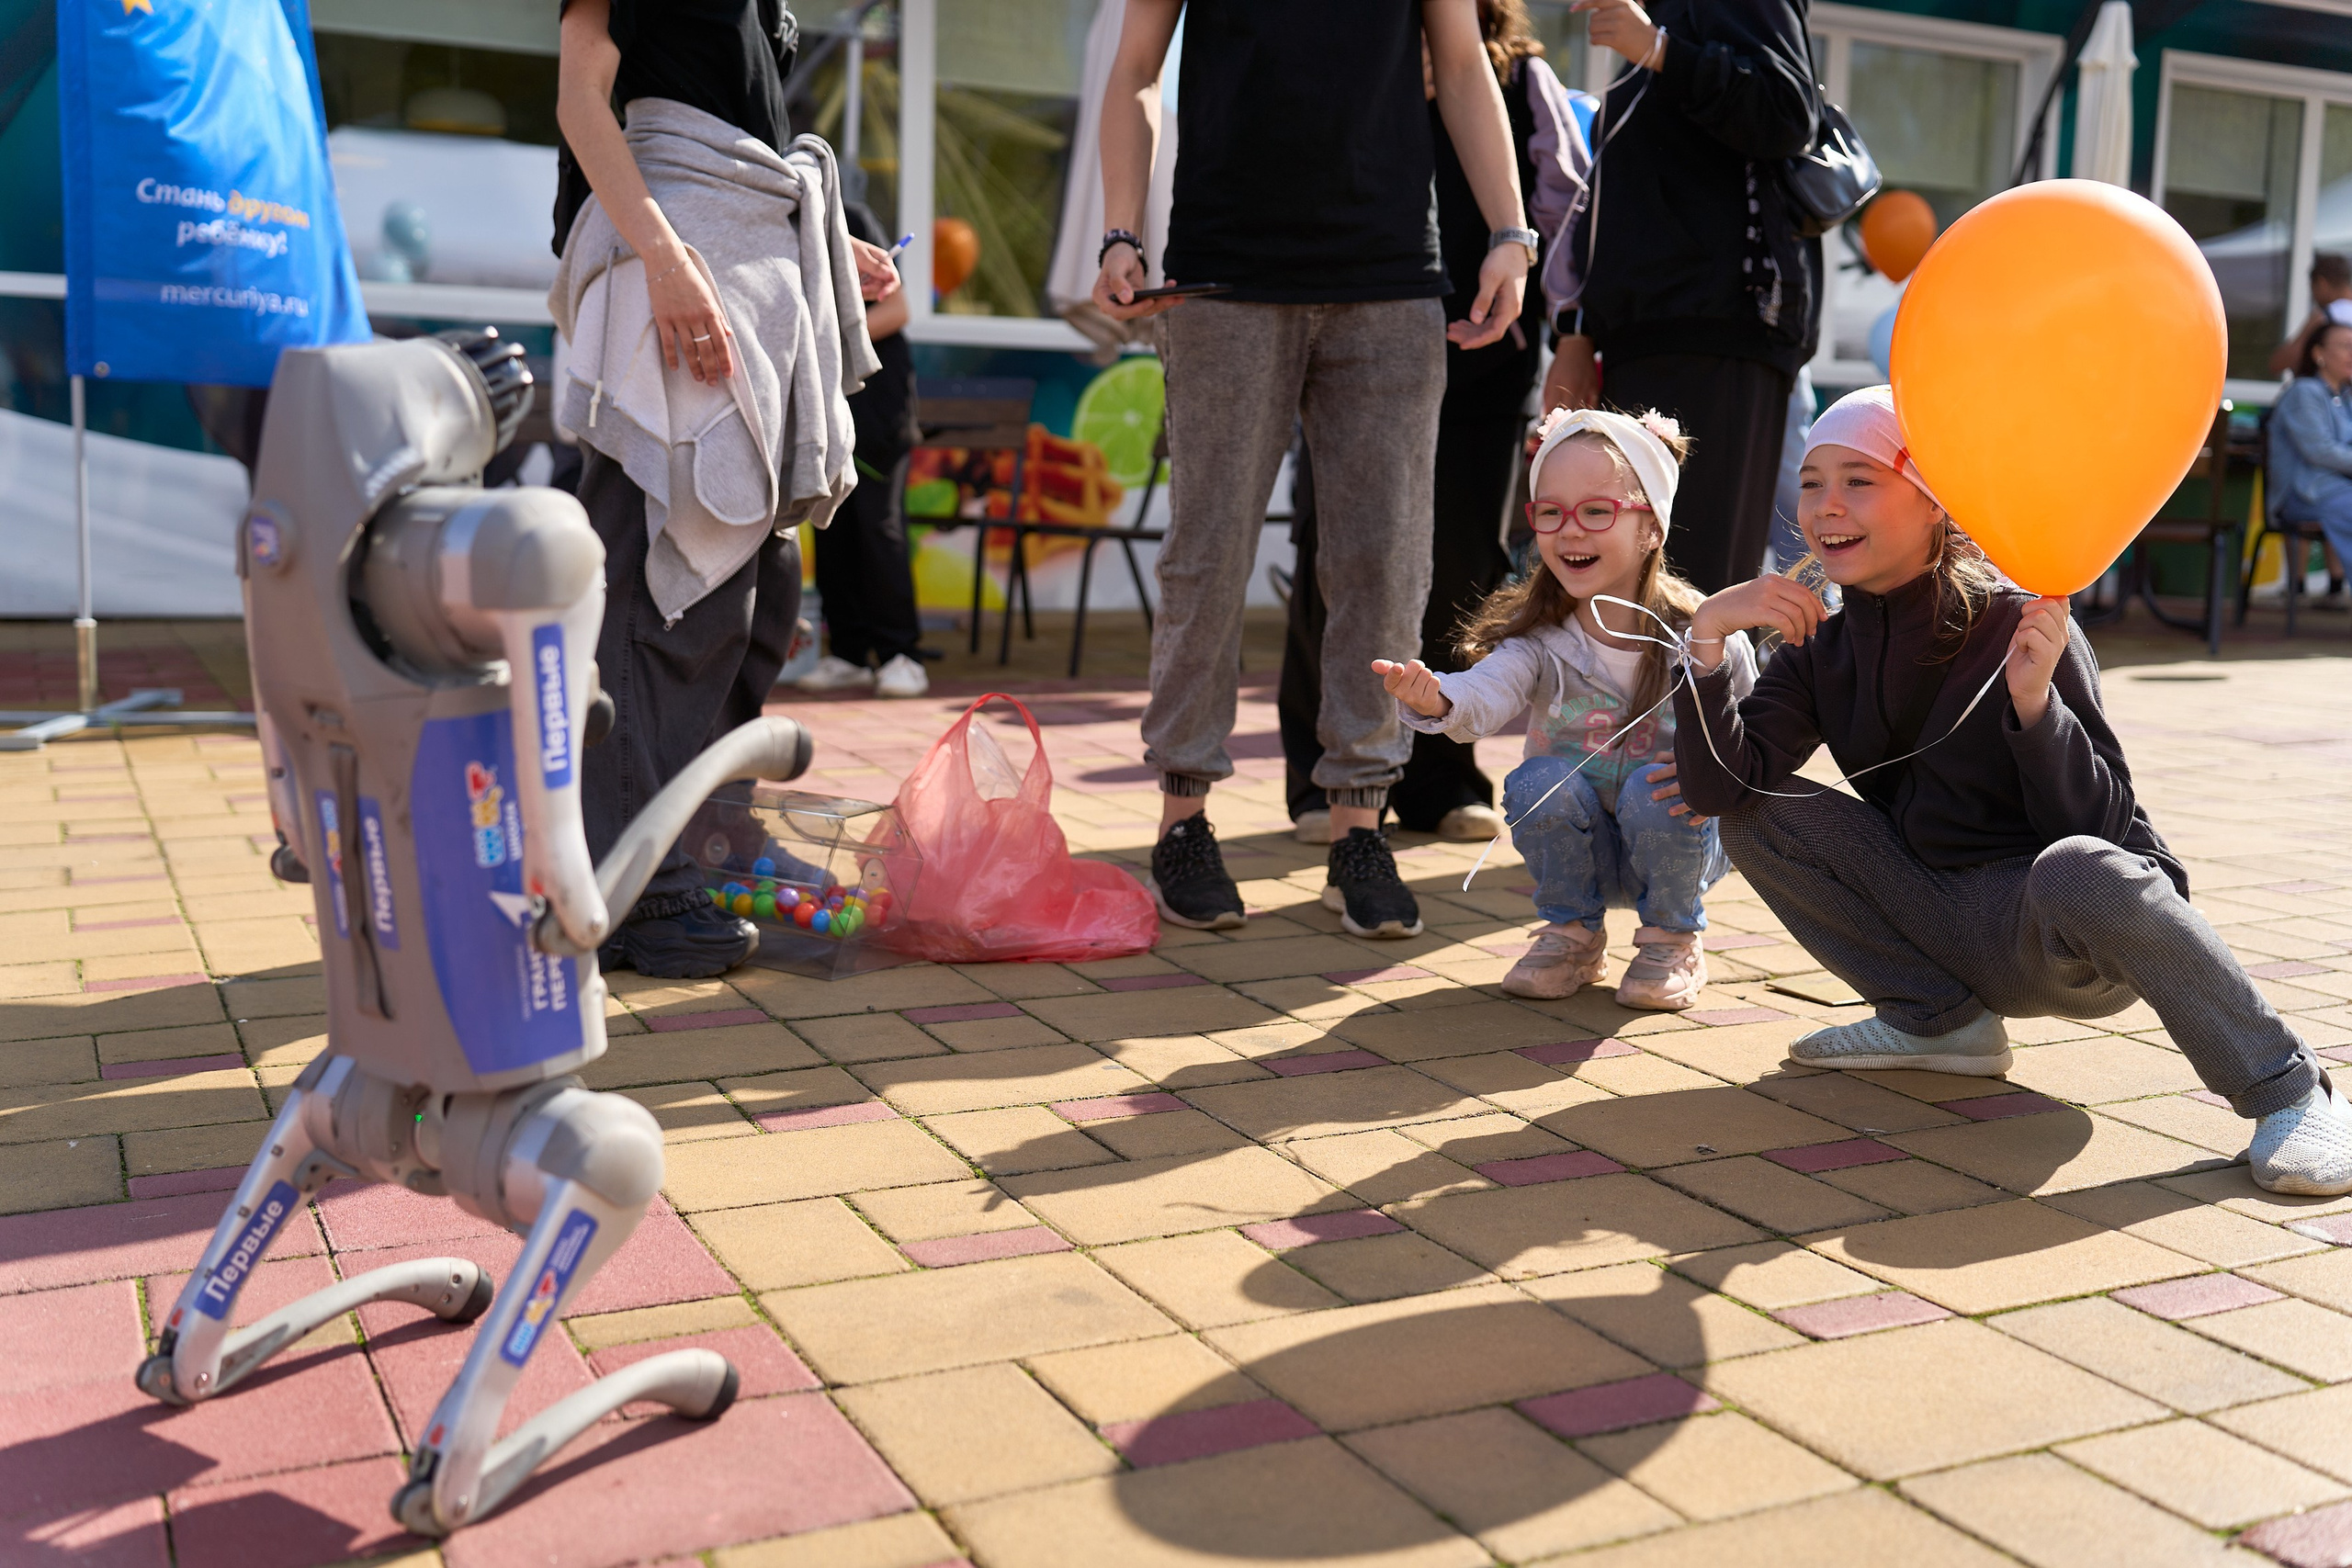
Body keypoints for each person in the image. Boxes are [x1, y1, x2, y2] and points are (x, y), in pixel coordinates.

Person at [1671, 386, 2349, 1196]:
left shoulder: (2019, 617)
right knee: (1755, 814)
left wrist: (2036, 705)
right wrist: (1705, 637)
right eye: (1813, 481)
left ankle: (2291, 1091)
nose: (1825, 506)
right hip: (1933, 911)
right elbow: (1718, 787)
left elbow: (2111, 837)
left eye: (1860, 478)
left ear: (1934, 501)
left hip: (2057, 932)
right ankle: (1942, 1023)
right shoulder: (1823, 640)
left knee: (2080, 866)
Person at [1093, 0, 1536, 939]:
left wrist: (1510, 231)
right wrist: (1120, 230)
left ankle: (1358, 829)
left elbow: (1460, 65)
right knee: (1207, 553)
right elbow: (1135, 67)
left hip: (1389, 283)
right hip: (1224, 279)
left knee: (1384, 563)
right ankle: (1183, 820)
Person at [553, 0, 898, 978]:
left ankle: (708, 836)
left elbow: (737, 115)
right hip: (672, 268)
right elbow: (584, 102)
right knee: (655, 593)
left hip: (739, 273)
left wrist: (820, 239)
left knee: (756, 600)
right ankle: (631, 884)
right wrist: (662, 260)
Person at [1283, 5, 1594, 848]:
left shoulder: (1519, 75)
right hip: (1343, 345)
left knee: (1463, 554)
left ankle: (1440, 775)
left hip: (1484, 357)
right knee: (1333, 550)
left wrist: (1554, 319)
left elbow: (1566, 207)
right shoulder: (1349, 42)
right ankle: (1321, 774)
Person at [1381, 406, 1754, 1009]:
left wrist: (1717, 786)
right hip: (1584, 851)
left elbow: (1757, 733)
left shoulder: (1703, 633)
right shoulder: (1539, 638)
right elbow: (1488, 691)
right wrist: (1442, 695)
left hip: (1681, 844)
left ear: (1652, 527)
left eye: (1597, 510)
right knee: (1537, 781)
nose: (1570, 531)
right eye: (1551, 513)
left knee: (1651, 787)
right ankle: (1573, 934)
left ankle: (1671, 936)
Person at [1542, 0, 1821, 594]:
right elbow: (1615, 211)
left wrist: (1662, 52)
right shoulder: (1661, 22)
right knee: (1637, 590)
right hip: (1643, 340)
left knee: (1695, 592)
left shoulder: (1686, 24)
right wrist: (1577, 336)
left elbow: (1790, 110)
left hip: (1718, 332)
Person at [797, 201, 930, 699]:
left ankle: (902, 655)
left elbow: (897, 309)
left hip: (876, 405)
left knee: (877, 524)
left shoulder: (844, 215)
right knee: (831, 523)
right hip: (826, 401)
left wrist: (824, 339)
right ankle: (850, 653)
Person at [2272, 316, 2352, 603]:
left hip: (2335, 490)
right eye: (2345, 346)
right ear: (2319, 354)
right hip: (2303, 494)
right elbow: (2319, 451)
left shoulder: (2344, 396)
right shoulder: (2304, 392)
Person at [2267, 253, 2352, 378]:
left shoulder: (2326, 316)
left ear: (2321, 283)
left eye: (2313, 289)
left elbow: (2280, 362)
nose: (2313, 297)